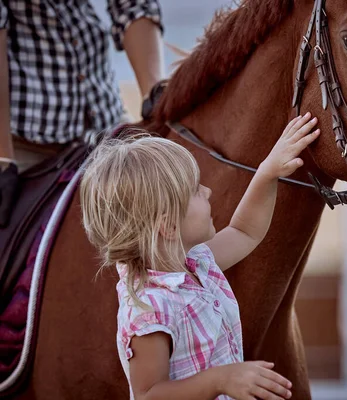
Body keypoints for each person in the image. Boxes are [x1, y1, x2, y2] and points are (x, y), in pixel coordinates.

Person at [79, 113, 320, 400]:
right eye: (195, 191)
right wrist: (220, 380)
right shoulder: (149, 308)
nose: (208, 191)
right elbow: (149, 395)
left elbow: (245, 231)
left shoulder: (196, 262)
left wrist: (267, 172)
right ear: (167, 226)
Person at [0, 0, 164, 227]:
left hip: (104, 120)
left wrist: (153, 93)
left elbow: (132, 5)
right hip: (23, 139)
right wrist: (4, 159)